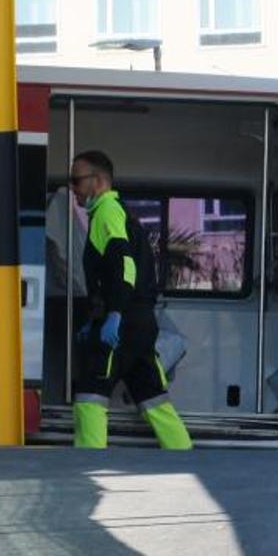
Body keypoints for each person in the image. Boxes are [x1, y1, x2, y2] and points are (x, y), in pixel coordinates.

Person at [69, 150, 192, 450]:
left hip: (123, 323)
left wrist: (114, 315)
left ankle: (88, 464)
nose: (72, 188)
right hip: (141, 323)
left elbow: (123, 266)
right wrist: (93, 319)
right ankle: (184, 455)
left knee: (90, 392)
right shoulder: (120, 214)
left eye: (76, 180)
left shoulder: (107, 213)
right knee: (152, 395)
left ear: (97, 181)